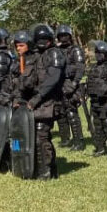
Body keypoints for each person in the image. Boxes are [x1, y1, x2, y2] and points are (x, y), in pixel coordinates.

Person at [12, 24, 65, 180]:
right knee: (38, 136)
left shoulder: (54, 54)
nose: (42, 43)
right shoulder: (35, 56)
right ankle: (48, 168)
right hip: (34, 101)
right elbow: (27, 80)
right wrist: (20, 97)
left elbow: (52, 79)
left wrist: (37, 98)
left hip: (48, 101)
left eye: (45, 39)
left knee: (41, 136)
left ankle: (45, 171)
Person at [85, 41, 107, 158]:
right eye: (97, 53)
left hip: (106, 101)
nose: (98, 55)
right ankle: (100, 148)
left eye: (101, 53)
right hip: (95, 101)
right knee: (97, 125)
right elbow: (90, 82)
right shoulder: (94, 67)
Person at [55, 25, 87, 152]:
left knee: (71, 113)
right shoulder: (56, 50)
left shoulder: (75, 50)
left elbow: (80, 68)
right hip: (58, 84)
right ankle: (65, 139)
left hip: (70, 83)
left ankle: (78, 141)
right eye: (61, 36)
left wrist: (74, 83)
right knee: (60, 113)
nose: (63, 38)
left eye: (65, 35)